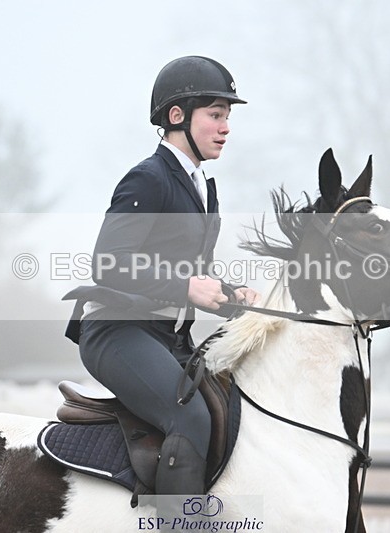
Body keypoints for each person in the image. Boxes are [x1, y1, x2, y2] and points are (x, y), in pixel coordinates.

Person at [65, 56, 258, 497]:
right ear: (177, 117)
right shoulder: (148, 178)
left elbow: (192, 270)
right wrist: (187, 287)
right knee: (190, 414)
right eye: (215, 115)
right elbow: (108, 262)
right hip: (117, 333)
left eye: (227, 117)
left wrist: (230, 293)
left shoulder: (203, 188)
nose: (225, 127)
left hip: (167, 337)